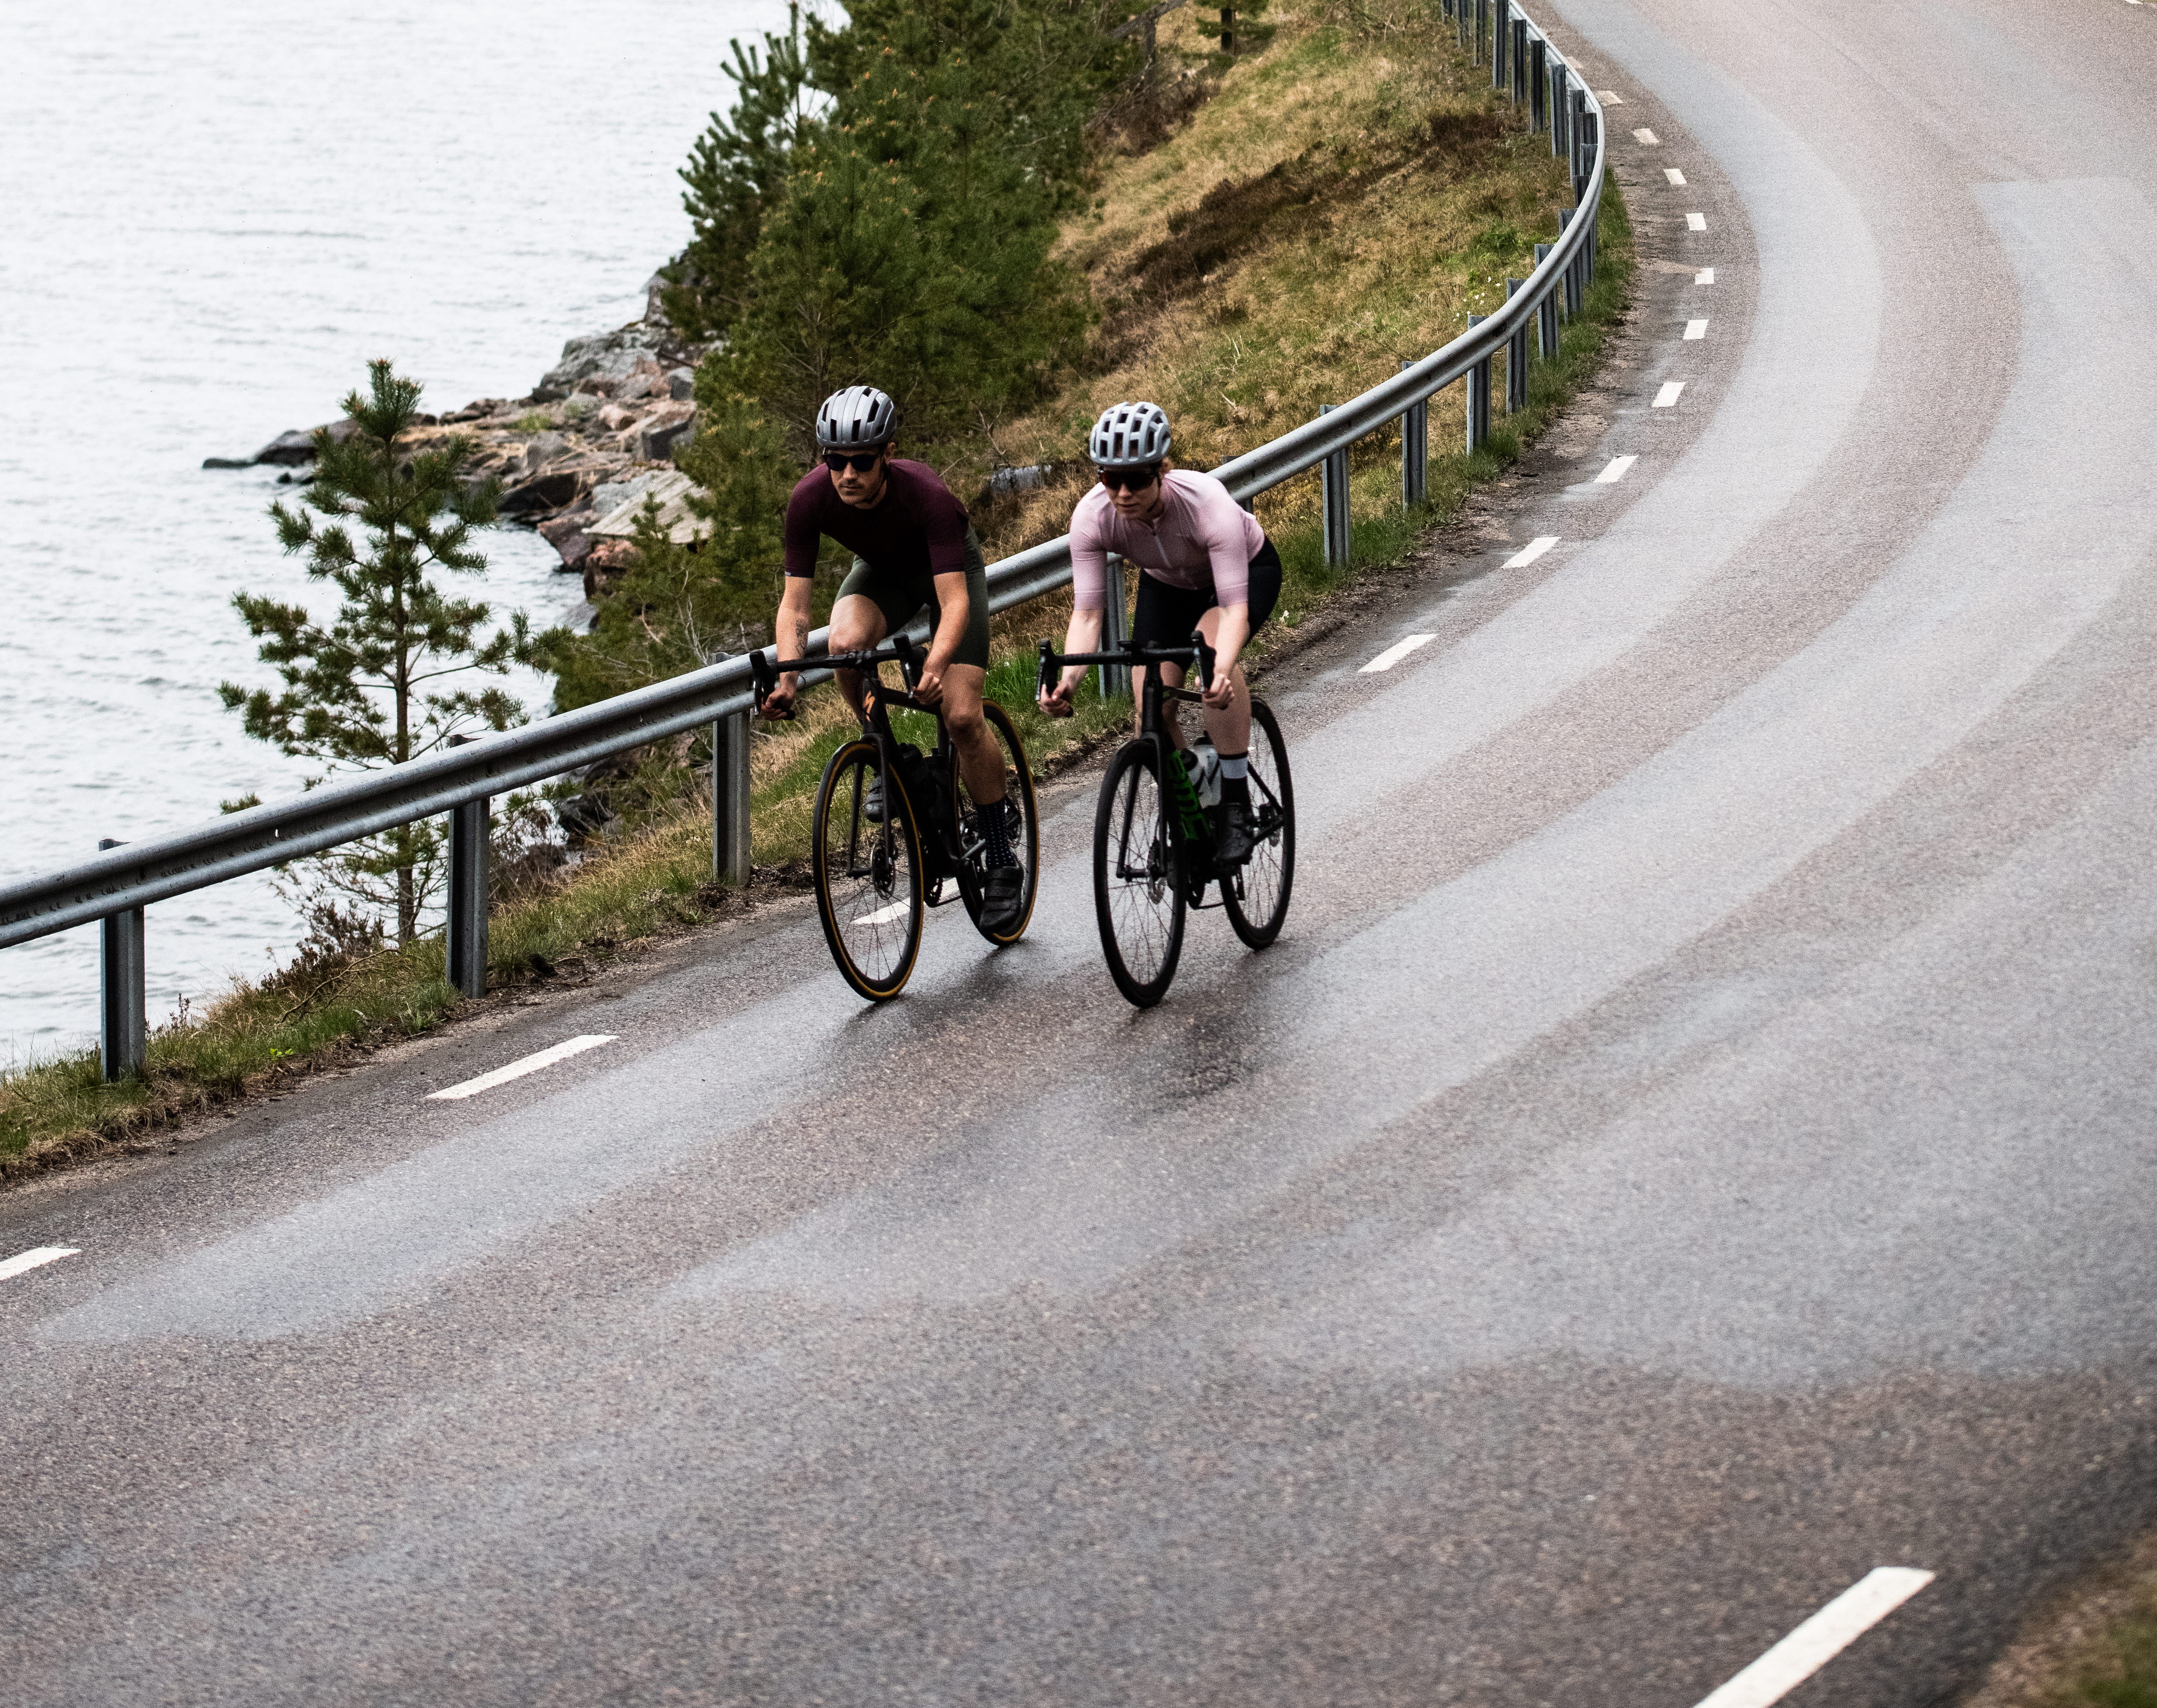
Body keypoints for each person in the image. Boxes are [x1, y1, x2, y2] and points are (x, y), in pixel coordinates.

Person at [758, 385, 1024, 931]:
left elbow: (953, 605)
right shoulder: (809, 499)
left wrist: (936, 665)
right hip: (884, 574)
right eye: (836, 460)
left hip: (950, 572)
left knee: (962, 716)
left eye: (861, 461)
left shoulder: (925, 493)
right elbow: (795, 608)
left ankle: (1000, 854)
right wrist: (786, 677)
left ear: (888, 454)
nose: (847, 474)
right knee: (842, 644)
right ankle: (886, 749)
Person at [1038, 401, 1281, 865]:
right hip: (1168, 584)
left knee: (1211, 665)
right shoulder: (1091, 518)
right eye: (1111, 479)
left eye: (1137, 479)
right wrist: (1068, 681)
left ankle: (1235, 802)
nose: (1123, 493)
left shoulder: (1207, 505)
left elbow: (1232, 609)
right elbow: (1088, 614)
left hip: (1241, 576)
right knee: (1151, 701)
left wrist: (1223, 670)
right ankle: (1189, 794)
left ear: (1163, 471)